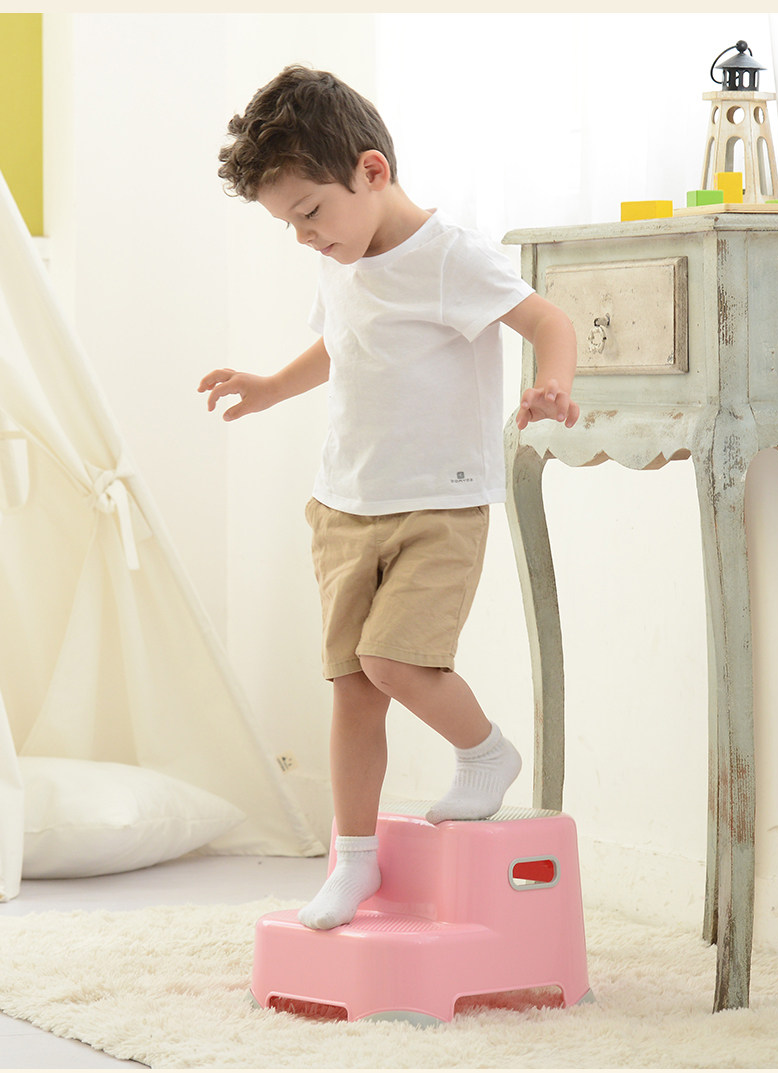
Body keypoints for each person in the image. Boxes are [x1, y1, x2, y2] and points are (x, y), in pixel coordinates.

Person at [199, 65, 579, 931]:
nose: (304, 237)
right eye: (288, 223)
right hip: (344, 504)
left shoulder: (450, 257)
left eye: (309, 213)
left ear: (371, 170)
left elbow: (547, 321)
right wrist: (270, 386)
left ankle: (485, 751)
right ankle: (354, 861)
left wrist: (553, 383)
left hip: (438, 504)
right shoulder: (340, 257)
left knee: (395, 661)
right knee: (352, 687)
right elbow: (343, 341)